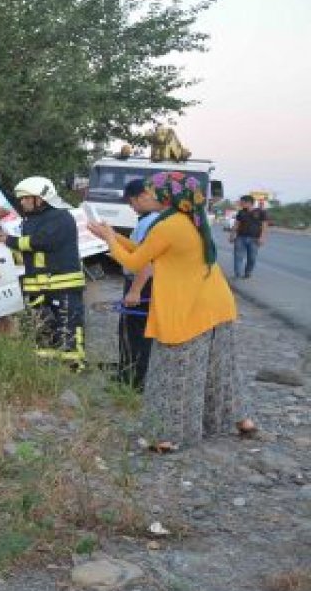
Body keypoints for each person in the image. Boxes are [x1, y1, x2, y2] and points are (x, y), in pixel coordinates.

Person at [89, 171, 252, 450]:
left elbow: (136, 261)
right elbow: (147, 250)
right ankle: (242, 422)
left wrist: (110, 239)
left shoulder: (169, 225)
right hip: (215, 304)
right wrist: (112, 236)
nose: (148, 196)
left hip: (189, 310)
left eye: (153, 192)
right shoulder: (191, 219)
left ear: (168, 196)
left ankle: (170, 438)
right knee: (219, 370)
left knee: (175, 375)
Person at [0, 176, 85, 367]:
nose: (22, 202)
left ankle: (73, 370)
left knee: (67, 328)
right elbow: (30, 253)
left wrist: (9, 241)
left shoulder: (60, 216)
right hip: (39, 286)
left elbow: (42, 241)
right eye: (22, 199)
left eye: (27, 198)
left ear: (41, 198)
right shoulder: (31, 220)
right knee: (44, 329)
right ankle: (47, 370)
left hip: (62, 284)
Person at [116, 179, 163, 390]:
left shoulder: (153, 222)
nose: (131, 207)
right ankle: (133, 377)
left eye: (131, 202)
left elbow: (147, 259)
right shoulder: (151, 220)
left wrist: (135, 290)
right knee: (136, 333)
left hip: (142, 285)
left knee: (134, 333)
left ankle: (132, 381)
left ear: (142, 196)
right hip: (143, 282)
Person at [229, 194, 269, 279]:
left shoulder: (261, 212)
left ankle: (248, 272)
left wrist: (262, 237)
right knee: (238, 256)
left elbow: (264, 226)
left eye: (242, 202)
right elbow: (236, 224)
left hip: (254, 239)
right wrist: (232, 235)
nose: (240, 204)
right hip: (240, 238)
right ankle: (237, 274)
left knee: (252, 258)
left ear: (249, 203)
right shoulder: (241, 212)